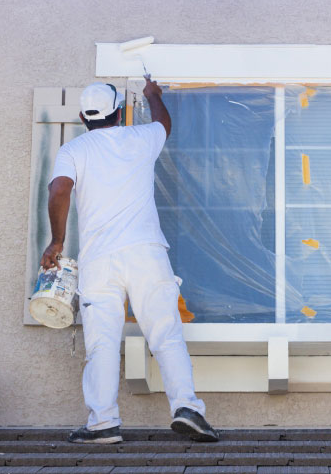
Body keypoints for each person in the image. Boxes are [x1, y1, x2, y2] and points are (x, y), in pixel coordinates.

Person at [41, 77, 218, 444]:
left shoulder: (73, 150)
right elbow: (163, 125)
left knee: (102, 342)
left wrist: (57, 241)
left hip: (99, 261)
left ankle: (103, 423)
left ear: (81, 117)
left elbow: (59, 189)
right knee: (166, 334)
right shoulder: (140, 139)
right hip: (146, 254)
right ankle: (188, 408)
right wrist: (153, 96)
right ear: (119, 112)